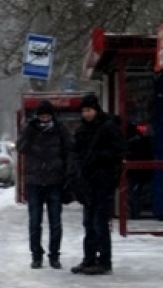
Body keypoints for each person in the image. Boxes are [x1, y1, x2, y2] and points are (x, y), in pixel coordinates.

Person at [69, 93, 127, 275]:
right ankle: (89, 258)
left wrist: (99, 159)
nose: (86, 114)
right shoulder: (82, 130)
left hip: (103, 181)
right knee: (89, 223)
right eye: (84, 110)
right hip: (88, 182)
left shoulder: (108, 128)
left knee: (99, 223)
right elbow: (75, 153)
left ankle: (104, 261)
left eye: (89, 110)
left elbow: (120, 150)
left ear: (96, 110)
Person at [16, 99, 73, 269]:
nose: (45, 118)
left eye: (48, 115)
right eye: (42, 116)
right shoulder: (30, 129)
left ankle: (54, 255)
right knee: (35, 222)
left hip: (55, 181)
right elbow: (21, 148)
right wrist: (29, 131)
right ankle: (36, 256)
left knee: (55, 222)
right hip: (35, 182)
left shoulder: (60, 129)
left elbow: (69, 149)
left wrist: (66, 173)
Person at [126, 123, 153, 219]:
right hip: (142, 172)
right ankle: (135, 212)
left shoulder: (131, 142)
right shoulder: (143, 140)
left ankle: (134, 213)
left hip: (135, 172)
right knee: (136, 192)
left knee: (133, 193)